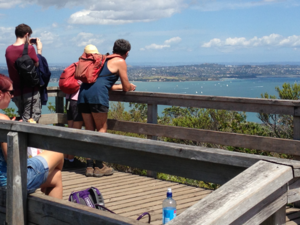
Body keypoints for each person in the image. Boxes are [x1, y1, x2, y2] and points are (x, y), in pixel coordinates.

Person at [78, 40, 136, 177]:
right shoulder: (120, 61)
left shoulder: (103, 59)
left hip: (84, 93)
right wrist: (129, 86)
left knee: (89, 130)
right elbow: (126, 87)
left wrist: (117, 87)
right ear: (127, 53)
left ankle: (89, 167)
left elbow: (102, 82)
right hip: (97, 97)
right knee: (101, 130)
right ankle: (99, 166)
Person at [0, 74, 64, 199]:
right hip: (9, 182)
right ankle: (51, 216)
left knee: (56, 176)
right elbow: (13, 159)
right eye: (11, 92)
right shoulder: (2, 120)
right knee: (58, 152)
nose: (12, 96)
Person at [5, 23, 42, 122]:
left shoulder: (8, 49)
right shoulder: (29, 49)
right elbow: (37, 64)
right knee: (31, 121)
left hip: (16, 91)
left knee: (23, 117)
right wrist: (39, 50)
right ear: (26, 34)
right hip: (30, 91)